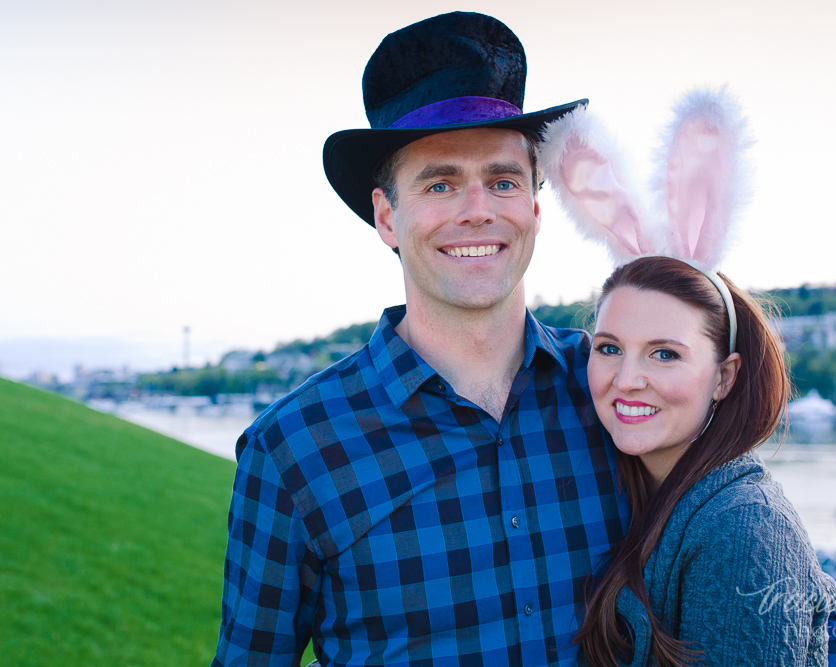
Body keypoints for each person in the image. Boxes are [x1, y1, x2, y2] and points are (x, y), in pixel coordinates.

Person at [212, 12, 628, 666]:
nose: (478, 209)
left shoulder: (621, 389)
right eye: (440, 183)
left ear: (536, 207)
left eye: (502, 180)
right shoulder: (294, 451)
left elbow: (775, 577)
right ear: (386, 216)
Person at [539, 91, 836, 666]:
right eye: (610, 347)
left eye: (665, 354)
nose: (627, 379)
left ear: (723, 376)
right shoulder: (654, 494)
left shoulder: (743, 533)